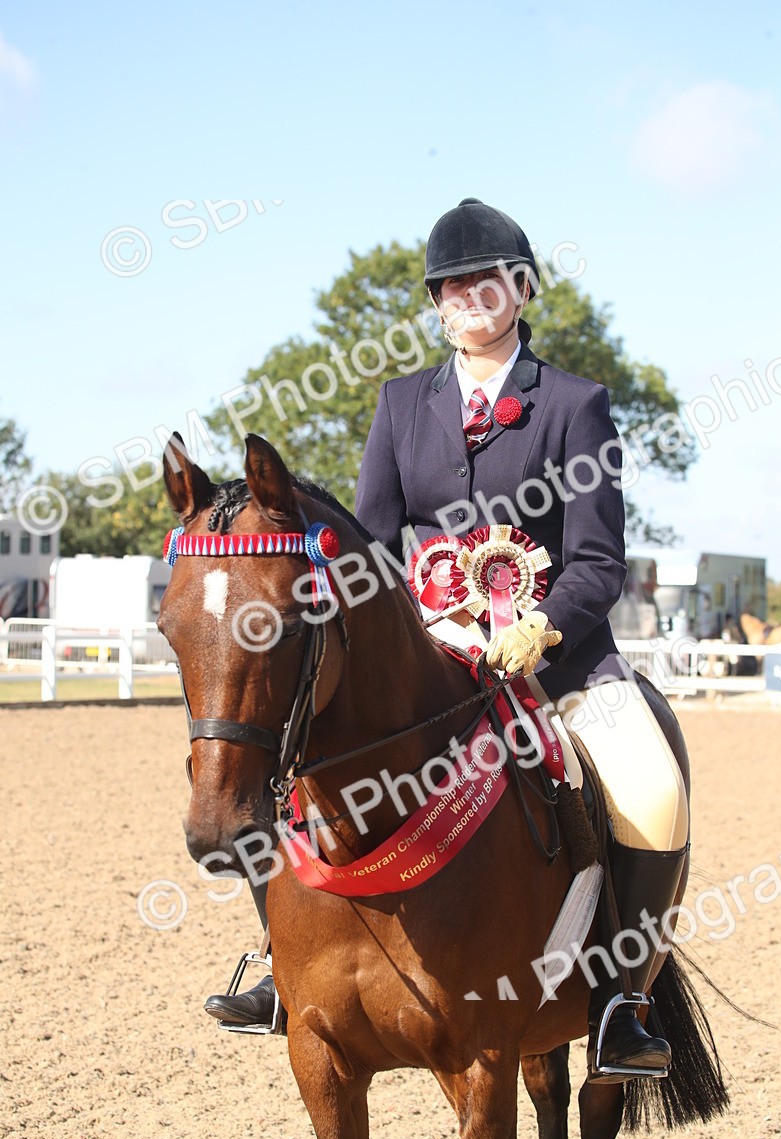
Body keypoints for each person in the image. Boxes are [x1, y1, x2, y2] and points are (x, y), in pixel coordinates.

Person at [206, 198, 689, 1084]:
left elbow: (598, 558)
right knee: (286, 756)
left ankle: (624, 999)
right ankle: (279, 967)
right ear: (436, 303)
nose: (469, 293)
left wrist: (541, 629)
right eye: (451, 284)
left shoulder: (577, 405)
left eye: (487, 279)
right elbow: (376, 544)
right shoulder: (400, 405)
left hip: (555, 659)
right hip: (424, 655)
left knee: (653, 792)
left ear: (524, 287)